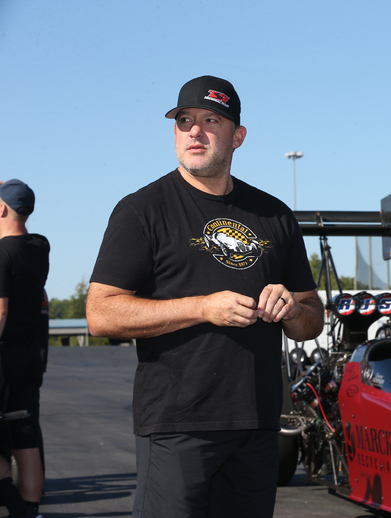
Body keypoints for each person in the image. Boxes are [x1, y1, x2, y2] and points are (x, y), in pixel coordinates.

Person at [86, 75, 324, 518]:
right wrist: (202, 307)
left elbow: (312, 317)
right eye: (184, 121)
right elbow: (101, 313)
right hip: (178, 425)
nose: (194, 131)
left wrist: (292, 310)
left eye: (211, 120)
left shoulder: (274, 215)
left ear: (238, 136)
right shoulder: (142, 209)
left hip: (257, 424)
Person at [0, 179, 48, 518]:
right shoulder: (39, 246)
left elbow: (0, 312)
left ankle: (16, 508)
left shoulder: (2, 253)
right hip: (30, 358)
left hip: (3, 360)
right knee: (26, 439)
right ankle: (30, 512)